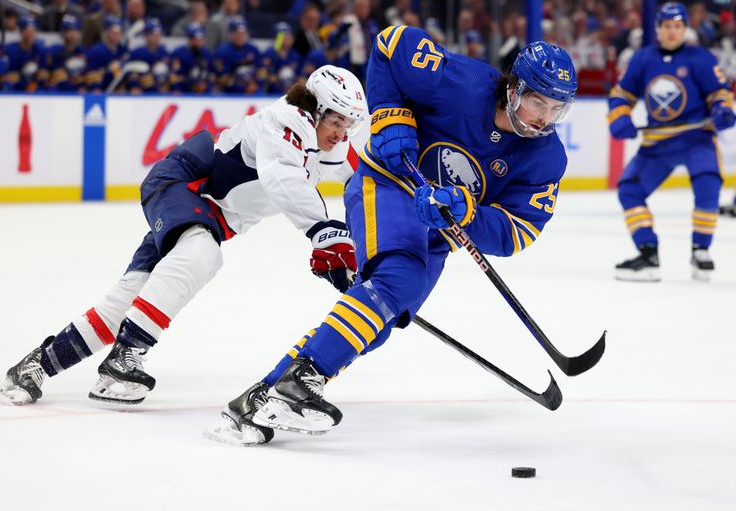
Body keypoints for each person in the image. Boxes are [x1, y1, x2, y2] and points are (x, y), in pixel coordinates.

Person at [214, 27, 577, 445]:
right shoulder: (461, 80)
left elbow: (518, 231)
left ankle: (259, 399)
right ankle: (304, 380)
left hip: (439, 231)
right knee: (397, 279)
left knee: (380, 320)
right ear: (514, 89)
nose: (544, 118)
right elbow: (391, 42)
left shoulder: (547, 157)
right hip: (386, 185)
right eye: (537, 102)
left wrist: (468, 213)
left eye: (556, 109)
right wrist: (388, 110)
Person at [0, 65, 367, 407]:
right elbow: (284, 178)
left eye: (347, 123)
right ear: (315, 108)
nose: (341, 132)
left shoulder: (327, 146)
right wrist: (326, 235)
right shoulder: (287, 119)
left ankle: (36, 366)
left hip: (204, 210)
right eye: (336, 119)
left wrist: (363, 250)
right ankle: (127, 355)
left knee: (128, 300)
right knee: (202, 254)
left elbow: (356, 187)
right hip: (184, 185)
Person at [608, 2, 736, 282]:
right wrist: (619, 118)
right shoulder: (642, 59)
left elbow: (720, 92)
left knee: (708, 185)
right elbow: (621, 95)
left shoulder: (700, 58)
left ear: (685, 29)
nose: (672, 32)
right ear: (658, 29)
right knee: (629, 189)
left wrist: (722, 110)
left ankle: (701, 250)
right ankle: (648, 251)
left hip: (696, 139)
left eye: (677, 26)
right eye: (667, 26)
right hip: (658, 143)